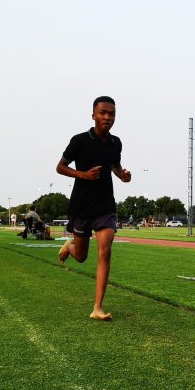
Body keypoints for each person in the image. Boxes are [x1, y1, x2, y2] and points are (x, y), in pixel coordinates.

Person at [56, 95, 132, 321]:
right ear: (93, 116)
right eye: (103, 113)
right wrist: (83, 175)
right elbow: (60, 167)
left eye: (112, 114)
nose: (108, 117)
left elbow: (115, 166)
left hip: (105, 205)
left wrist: (122, 175)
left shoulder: (116, 143)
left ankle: (97, 308)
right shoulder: (79, 141)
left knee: (105, 251)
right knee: (81, 257)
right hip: (81, 206)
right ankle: (70, 246)